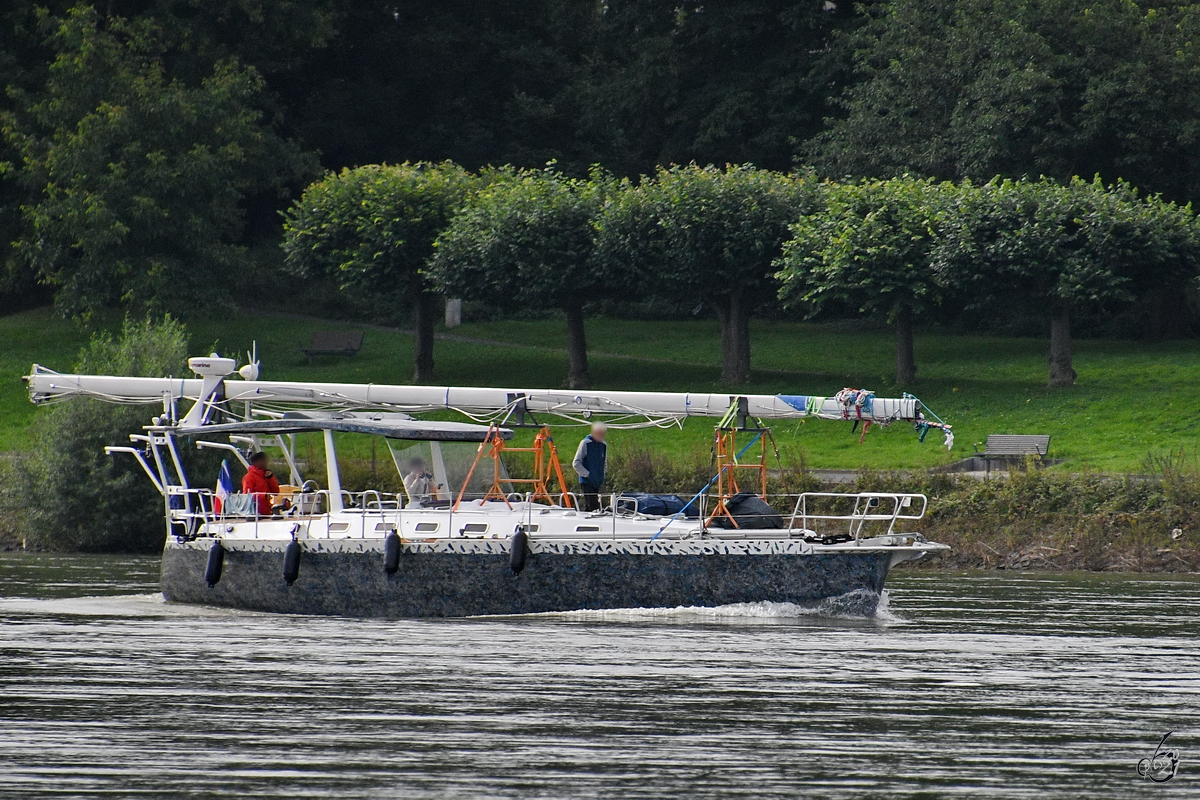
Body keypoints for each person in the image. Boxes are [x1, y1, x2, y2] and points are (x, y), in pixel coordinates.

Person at [572, 423, 607, 512]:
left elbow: (604, 462)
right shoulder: (585, 443)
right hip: (587, 481)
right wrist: (588, 474)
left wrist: (603, 475)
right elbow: (576, 463)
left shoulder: (603, 444)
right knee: (593, 506)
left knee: (591, 506)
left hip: (598, 480)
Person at [242, 451, 280, 517]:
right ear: (257, 462)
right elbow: (247, 496)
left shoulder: (267, 475)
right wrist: (264, 496)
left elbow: (276, 492)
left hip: (267, 512)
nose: (266, 463)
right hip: (255, 514)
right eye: (264, 461)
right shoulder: (248, 477)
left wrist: (270, 478)